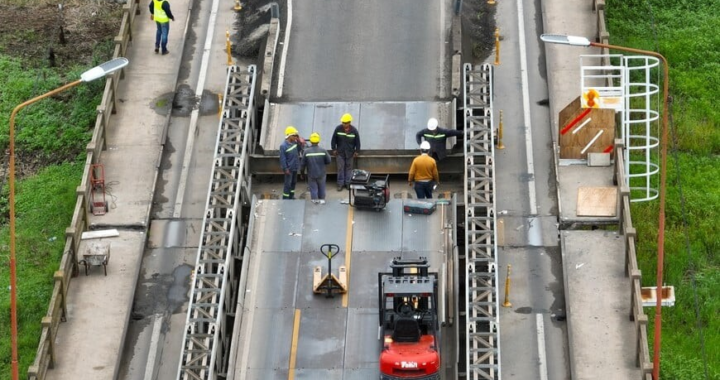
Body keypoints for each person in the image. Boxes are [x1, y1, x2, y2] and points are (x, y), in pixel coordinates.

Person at [330, 113, 361, 191]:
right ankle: (340, 184)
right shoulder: (338, 129)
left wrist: (357, 151)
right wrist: (334, 149)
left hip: (350, 153)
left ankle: (348, 183)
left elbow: (357, 142)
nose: (344, 124)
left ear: (349, 122)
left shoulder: (354, 130)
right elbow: (333, 140)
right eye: (343, 122)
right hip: (340, 153)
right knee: (340, 168)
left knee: (349, 168)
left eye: (345, 123)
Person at [301, 132, 332, 204]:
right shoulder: (323, 151)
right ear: (318, 141)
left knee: (313, 190)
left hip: (311, 175)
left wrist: (302, 174)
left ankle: (315, 204)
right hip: (321, 174)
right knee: (322, 189)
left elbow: (302, 165)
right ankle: (322, 202)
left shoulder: (306, 152)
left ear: (311, 141)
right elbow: (329, 161)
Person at [279, 126, 304, 199]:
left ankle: (291, 196)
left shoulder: (294, 143)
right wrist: (285, 169)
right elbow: (282, 159)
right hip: (289, 169)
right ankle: (285, 198)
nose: (296, 137)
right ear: (290, 136)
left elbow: (299, 150)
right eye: (295, 135)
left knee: (294, 182)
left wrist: (300, 142)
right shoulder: (283, 146)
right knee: (288, 184)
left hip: (295, 167)